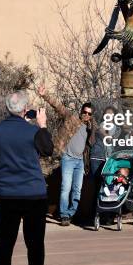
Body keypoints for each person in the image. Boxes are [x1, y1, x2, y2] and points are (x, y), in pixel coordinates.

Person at [0, 91, 54, 265]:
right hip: (33, 195)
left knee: (4, 247)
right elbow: (48, 149)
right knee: (35, 247)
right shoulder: (34, 131)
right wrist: (42, 125)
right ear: (25, 110)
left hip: (6, 195)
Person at [38, 85, 94, 226]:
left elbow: (102, 134)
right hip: (68, 159)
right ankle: (64, 215)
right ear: (81, 111)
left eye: (89, 113)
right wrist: (45, 95)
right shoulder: (72, 118)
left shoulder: (91, 128)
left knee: (77, 190)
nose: (86, 115)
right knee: (65, 187)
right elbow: (58, 106)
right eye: (85, 112)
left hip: (80, 161)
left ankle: (70, 213)